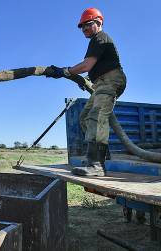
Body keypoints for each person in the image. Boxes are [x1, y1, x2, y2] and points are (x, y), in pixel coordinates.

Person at [45, 7, 127, 176]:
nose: (84, 29)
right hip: (101, 82)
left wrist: (64, 71)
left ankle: (96, 165)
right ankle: (100, 156)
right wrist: (87, 80)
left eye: (87, 25)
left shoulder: (101, 37)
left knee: (97, 115)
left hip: (110, 80)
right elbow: (93, 68)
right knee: (85, 117)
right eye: (82, 27)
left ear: (99, 22)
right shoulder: (96, 40)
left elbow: (86, 65)